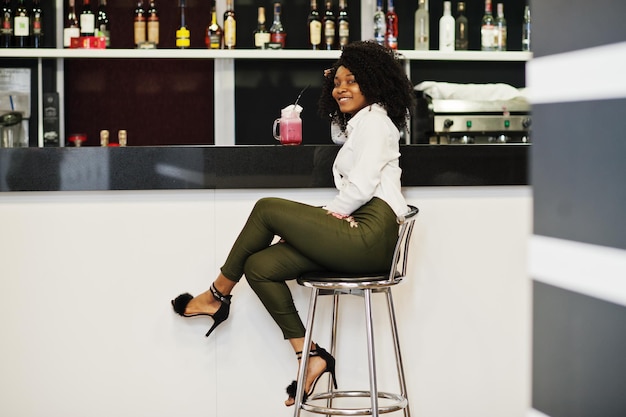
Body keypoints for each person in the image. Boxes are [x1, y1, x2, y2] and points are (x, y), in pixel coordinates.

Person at [171, 40, 416, 407]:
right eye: (337, 83)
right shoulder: (362, 123)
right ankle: (309, 354)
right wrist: (312, 227)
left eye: (353, 81)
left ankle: (217, 295)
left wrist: (312, 224)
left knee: (267, 208)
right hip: (355, 234)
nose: (341, 89)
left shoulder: (378, 124)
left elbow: (361, 188)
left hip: (370, 235)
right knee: (260, 266)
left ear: (375, 85)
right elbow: (341, 134)